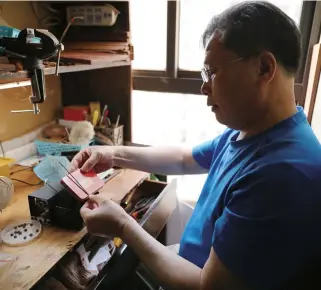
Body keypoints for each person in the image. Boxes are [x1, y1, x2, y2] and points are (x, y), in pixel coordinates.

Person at [70, 1, 321, 289]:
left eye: (212, 72)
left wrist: (124, 226)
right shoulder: (249, 132)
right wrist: (112, 154)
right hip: (186, 262)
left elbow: (207, 286)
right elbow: (183, 159)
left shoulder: (283, 174)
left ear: (264, 68)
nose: (204, 87)